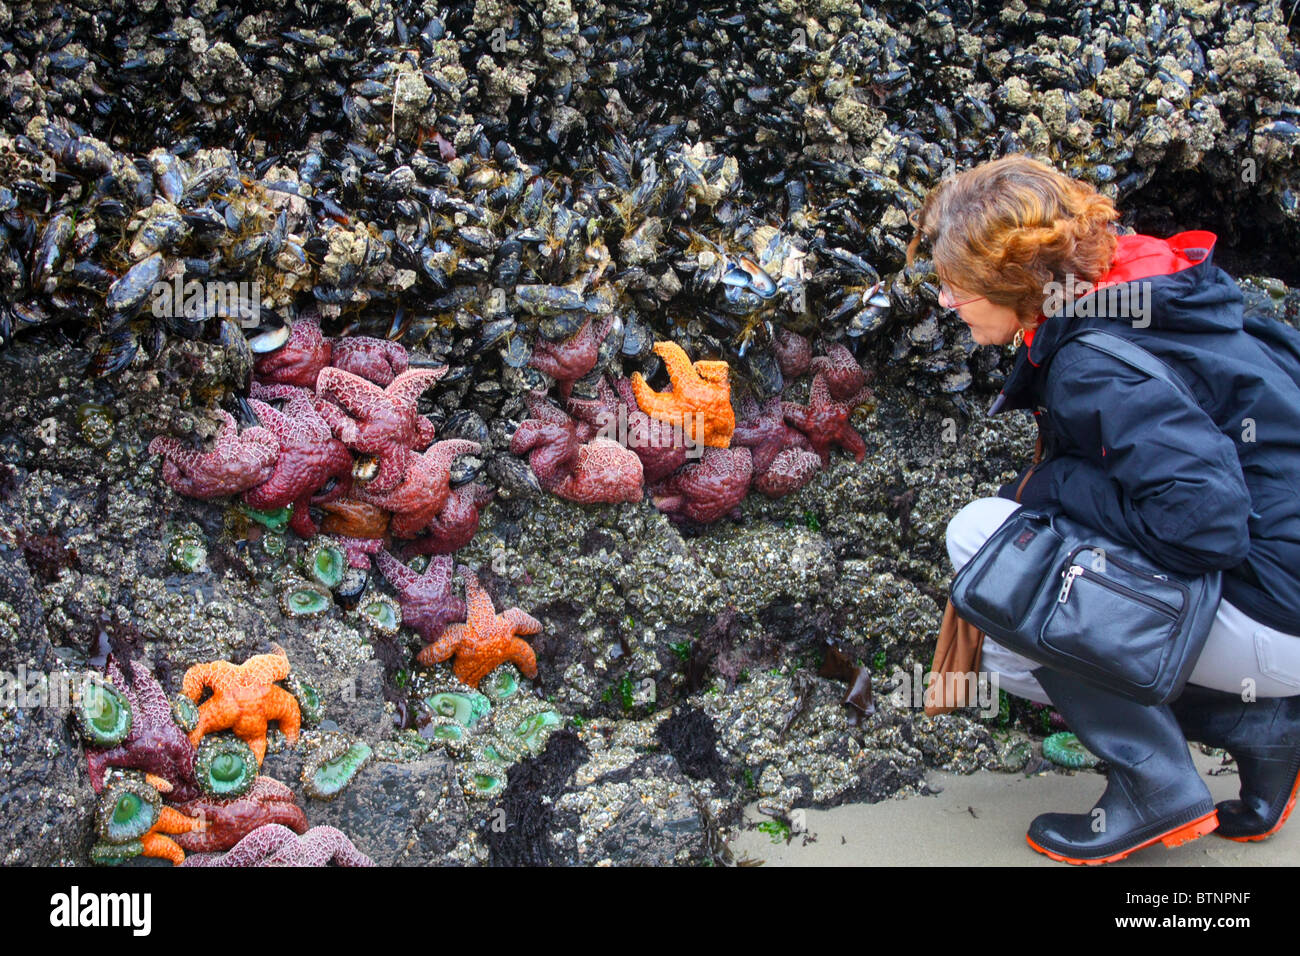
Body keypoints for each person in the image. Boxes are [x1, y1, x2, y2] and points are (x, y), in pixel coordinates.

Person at [908, 155, 1300, 864]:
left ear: (1014, 284)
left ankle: (1157, 787)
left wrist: (1053, 489)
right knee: (1029, 552)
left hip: (1279, 612)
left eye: (954, 288)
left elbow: (1208, 524)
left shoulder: (1097, 360)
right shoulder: (1166, 292)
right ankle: (1263, 722)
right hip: (1285, 600)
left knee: (990, 550)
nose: (946, 304)